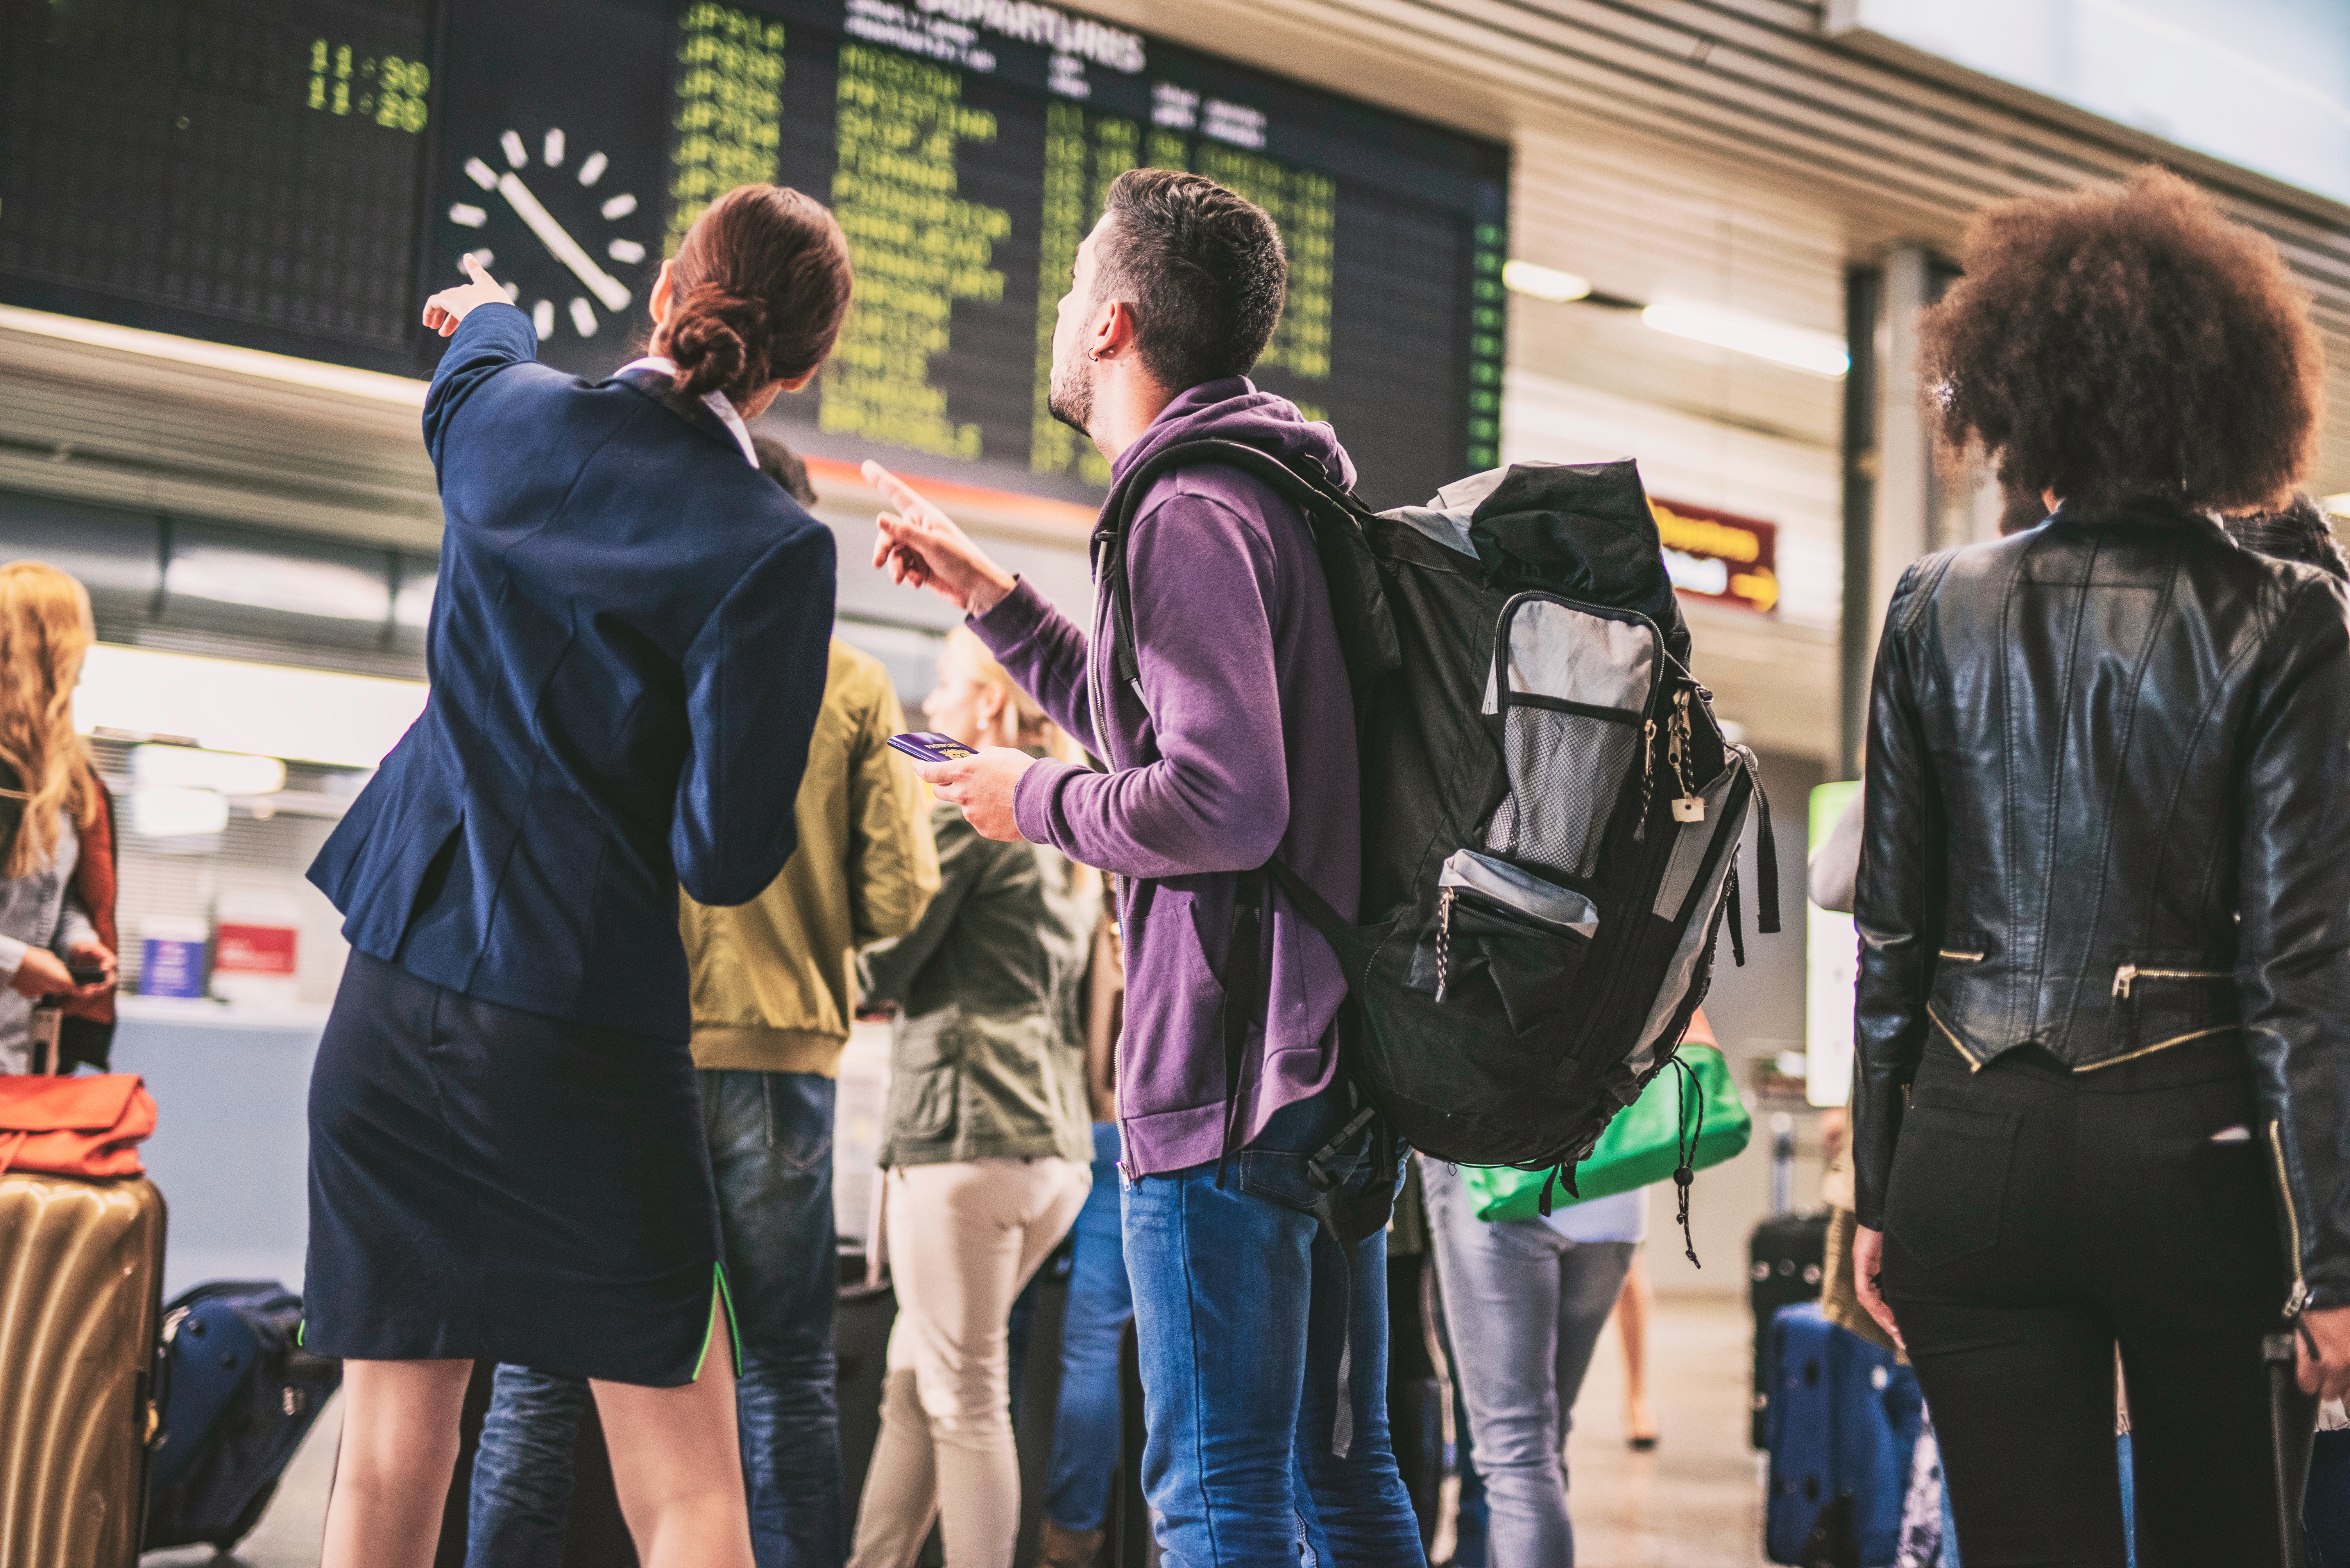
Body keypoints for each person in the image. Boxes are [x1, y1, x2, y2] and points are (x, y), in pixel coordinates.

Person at [864, 166, 1423, 1562]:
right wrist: (994, 600)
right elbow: (1167, 727)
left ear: (1113, 322)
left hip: (1226, 1090)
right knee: (1344, 1483)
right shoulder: (1279, 490)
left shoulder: (1181, 510)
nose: (1059, 309)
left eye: (1069, 287)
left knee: (1218, 1501)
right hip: (1328, 1073)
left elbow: (1221, 802)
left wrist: (1025, 794)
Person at [301, 184, 848, 1568]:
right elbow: (724, 857)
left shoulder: (505, 423)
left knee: (382, 1465)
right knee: (684, 1489)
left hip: (392, 996)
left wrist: (495, 304)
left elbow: (477, 350)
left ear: (669, 287)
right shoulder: (772, 548)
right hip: (579, 1029)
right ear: (800, 371)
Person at [1849, 167, 2350, 1567]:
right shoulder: (2288, 618)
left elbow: (1893, 929)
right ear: (2230, 394)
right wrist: (2336, 1258)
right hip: (2194, 1165)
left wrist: (1879, 1189)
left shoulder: (1929, 603)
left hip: (1966, 1150)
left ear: (2021, 387)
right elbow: (2302, 963)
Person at [465, 438, 940, 1568]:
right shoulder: (853, 679)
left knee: (541, 1364)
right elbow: (899, 890)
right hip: (782, 1062)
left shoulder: (626, 640)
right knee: (783, 1367)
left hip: (614, 1050)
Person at [844, 627, 1097, 1568]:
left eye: (946, 688)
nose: (931, 711)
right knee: (918, 1383)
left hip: (962, 1136)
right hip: (1049, 1146)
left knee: (963, 1398)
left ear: (989, 705)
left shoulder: (969, 806)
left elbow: (885, 962)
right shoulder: (1064, 816)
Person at [1421, 1008, 1715, 1567]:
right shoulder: (1640, 918)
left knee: (1517, 1454)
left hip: (1496, 1177)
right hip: (1615, 1188)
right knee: (1545, 1443)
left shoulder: (1487, 920)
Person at [1035, 905, 1130, 1568]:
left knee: (1086, 1348)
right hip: (1148, 1125)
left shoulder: (1071, 882)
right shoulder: (1153, 853)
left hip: (1074, 1126)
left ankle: (1067, 1541)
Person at [0, 562, 117, 1076]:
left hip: (20, 1058)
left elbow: (52, 891)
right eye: (77, 637)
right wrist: (13, 961)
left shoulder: (64, 775)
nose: (84, 658)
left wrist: (77, 939)